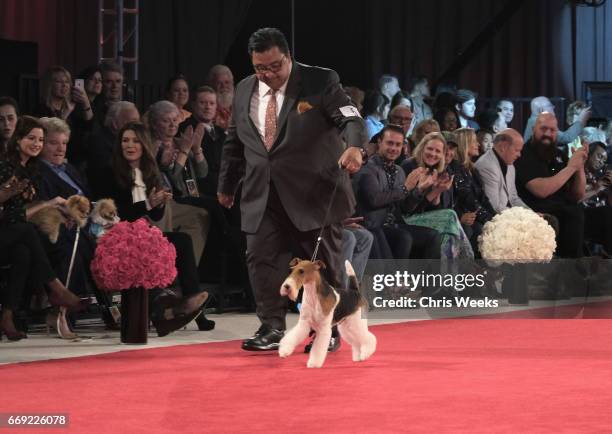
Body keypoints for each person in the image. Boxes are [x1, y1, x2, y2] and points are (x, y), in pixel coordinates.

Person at [218, 27, 367, 351]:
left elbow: (351, 118)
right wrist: (227, 185)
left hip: (314, 192)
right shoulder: (244, 89)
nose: (268, 74)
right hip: (262, 193)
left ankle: (328, 328)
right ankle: (271, 327)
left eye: (275, 66)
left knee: (323, 264)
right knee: (261, 258)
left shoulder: (320, 81)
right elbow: (234, 142)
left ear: (288, 57)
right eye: (260, 68)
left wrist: (355, 148)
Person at [103, 122, 215, 333]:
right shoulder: (109, 173)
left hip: (143, 235)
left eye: (135, 141)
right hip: (118, 236)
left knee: (182, 240)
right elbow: (118, 213)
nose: (130, 145)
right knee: (151, 247)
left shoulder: (149, 172)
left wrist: (160, 203)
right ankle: (165, 309)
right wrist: (148, 204)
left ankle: (196, 308)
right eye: (125, 140)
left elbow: (154, 215)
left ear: (144, 144)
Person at [0, 116, 90, 340]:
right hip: (6, 230)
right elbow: (11, 215)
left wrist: (58, 211)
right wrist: (48, 204)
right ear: (18, 139)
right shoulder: (5, 165)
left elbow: (22, 212)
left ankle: (8, 316)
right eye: (32, 138)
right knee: (28, 232)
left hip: (15, 234)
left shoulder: (31, 168)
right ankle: (57, 290)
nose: (36, 144)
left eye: (40, 140)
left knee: (24, 252)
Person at [356, 124, 442, 260]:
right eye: (390, 143)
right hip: (372, 225)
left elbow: (405, 208)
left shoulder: (399, 170)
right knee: (404, 238)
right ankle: (396, 279)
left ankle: (427, 280)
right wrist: (405, 188)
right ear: (379, 142)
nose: (394, 149)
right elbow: (374, 200)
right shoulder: (368, 168)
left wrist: (419, 190)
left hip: (392, 224)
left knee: (431, 235)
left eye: (398, 145)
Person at [514, 112, 587, 257]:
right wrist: (571, 167)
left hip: (563, 209)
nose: (548, 133)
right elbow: (541, 190)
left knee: (593, 212)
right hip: (535, 208)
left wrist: (579, 165)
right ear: (534, 129)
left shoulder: (558, 155)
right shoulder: (523, 154)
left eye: (552, 130)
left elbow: (577, 195)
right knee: (571, 214)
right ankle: (569, 268)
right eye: (543, 128)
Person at [452, 128, 496, 256]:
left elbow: (483, 197)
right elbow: (469, 200)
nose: (478, 144)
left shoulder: (472, 169)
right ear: (464, 144)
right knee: (480, 229)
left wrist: (495, 217)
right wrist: (490, 220)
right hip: (466, 215)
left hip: (475, 215)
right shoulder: (456, 169)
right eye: (474, 141)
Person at [474, 128, 529, 213]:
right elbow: (494, 207)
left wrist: (531, 214)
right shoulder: (487, 166)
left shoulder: (510, 165)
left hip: (507, 215)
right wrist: (523, 217)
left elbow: (513, 198)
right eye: (517, 150)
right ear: (503, 147)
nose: (519, 155)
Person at [523, 96, 590, 144]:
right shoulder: (540, 123)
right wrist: (580, 120)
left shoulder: (533, 120)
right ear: (542, 110)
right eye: (550, 105)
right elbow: (567, 138)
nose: (553, 107)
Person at [207, 65, 235, 131]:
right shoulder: (208, 109)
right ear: (211, 85)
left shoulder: (240, 105)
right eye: (219, 83)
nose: (224, 86)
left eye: (227, 82)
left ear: (232, 83)